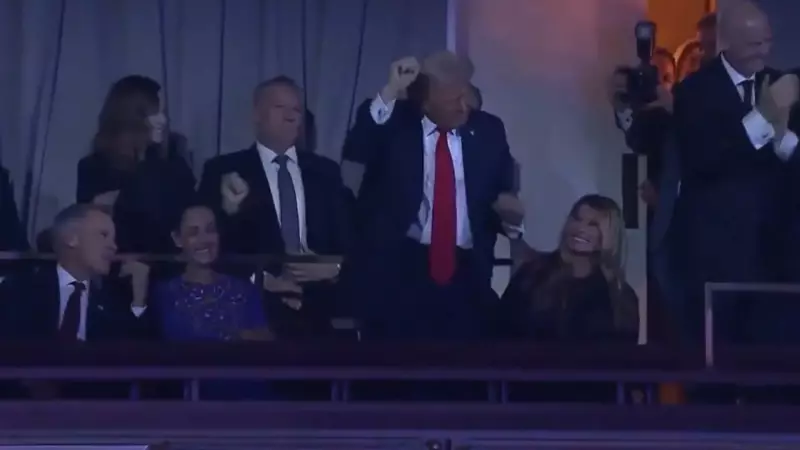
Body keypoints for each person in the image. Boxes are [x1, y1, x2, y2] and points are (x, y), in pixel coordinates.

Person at [341, 51, 524, 340]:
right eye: (453, 101)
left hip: (465, 273)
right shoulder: (396, 123)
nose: (464, 107)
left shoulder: (488, 130)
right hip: (398, 271)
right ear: (426, 103)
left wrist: (512, 219)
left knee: (463, 360)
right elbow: (358, 147)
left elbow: (503, 194)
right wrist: (391, 89)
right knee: (395, 361)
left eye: (465, 96)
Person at [673, 0, 800, 343]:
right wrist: (764, 116)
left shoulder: (785, 85)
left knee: (771, 362)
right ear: (725, 42)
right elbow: (705, 159)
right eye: (754, 44)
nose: (764, 51)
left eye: (767, 41)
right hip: (716, 258)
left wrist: (784, 140)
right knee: (714, 359)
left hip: (777, 259)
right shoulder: (694, 92)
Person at [198, 76, 351, 338]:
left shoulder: (325, 172)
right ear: (257, 115)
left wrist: (333, 269)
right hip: (254, 305)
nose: (291, 117)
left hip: (320, 303)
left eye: (296, 110)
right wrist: (265, 280)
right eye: (280, 108)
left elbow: (348, 243)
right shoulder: (224, 170)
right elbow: (211, 246)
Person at [0, 204, 148, 398]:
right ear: (71, 239)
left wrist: (139, 299)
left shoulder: (115, 298)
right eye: (103, 235)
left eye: (113, 238)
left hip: (93, 405)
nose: (113, 246)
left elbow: (137, 355)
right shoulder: (20, 290)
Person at [150, 204, 270, 400]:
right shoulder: (164, 293)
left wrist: (239, 336)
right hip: (191, 398)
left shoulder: (244, 289)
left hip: (249, 398)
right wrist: (236, 337)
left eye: (210, 230)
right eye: (193, 233)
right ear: (177, 239)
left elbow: (265, 340)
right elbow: (176, 343)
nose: (204, 239)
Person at [76, 75, 196, 256]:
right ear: (133, 116)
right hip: (116, 262)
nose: (163, 119)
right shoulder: (94, 167)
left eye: (164, 112)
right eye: (156, 112)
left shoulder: (174, 162)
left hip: (168, 263)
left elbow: (185, 217)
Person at [499, 195, 639, 341]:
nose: (580, 228)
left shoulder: (619, 295)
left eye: (593, 224)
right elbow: (501, 328)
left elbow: (625, 348)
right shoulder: (533, 274)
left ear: (609, 235)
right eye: (576, 219)